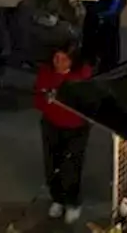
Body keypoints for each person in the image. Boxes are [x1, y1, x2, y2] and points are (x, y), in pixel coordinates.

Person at [34, 43, 93, 224]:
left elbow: (90, 105)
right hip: (51, 125)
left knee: (71, 167)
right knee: (52, 165)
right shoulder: (46, 72)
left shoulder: (83, 76)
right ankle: (58, 198)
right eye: (56, 58)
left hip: (76, 129)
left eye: (64, 59)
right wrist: (46, 100)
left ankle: (73, 202)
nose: (58, 62)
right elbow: (38, 99)